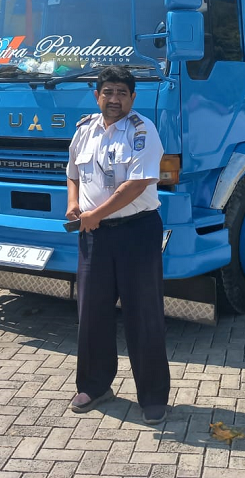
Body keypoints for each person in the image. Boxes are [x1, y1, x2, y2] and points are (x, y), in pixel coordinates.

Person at [65, 65, 170, 425]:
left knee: (143, 314)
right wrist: (73, 204)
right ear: (97, 95)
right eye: (108, 92)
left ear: (132, 98)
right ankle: (94, 386)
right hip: (94, 234)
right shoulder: (84, 130)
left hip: (136, 232)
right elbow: (73, 173)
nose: (114, 99)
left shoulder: (143, 131)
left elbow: (137, 185)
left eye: (122, 93)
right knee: (91, 313)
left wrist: (95, 214)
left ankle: (153, 397)